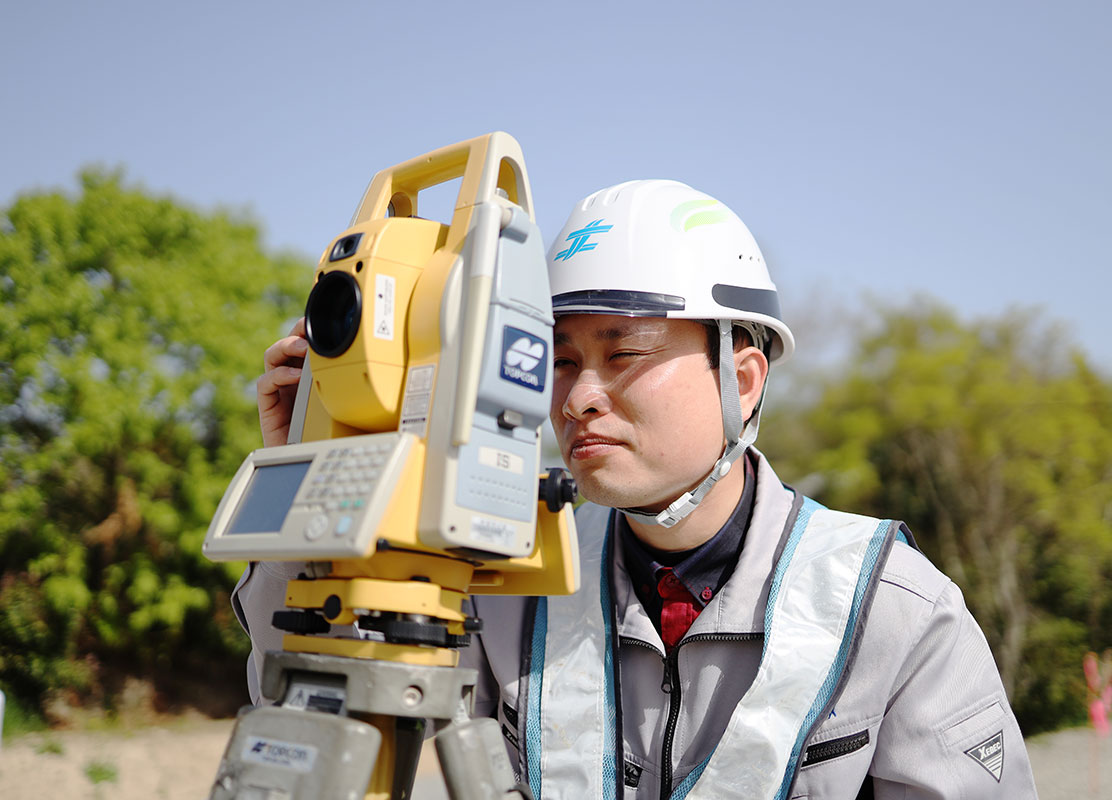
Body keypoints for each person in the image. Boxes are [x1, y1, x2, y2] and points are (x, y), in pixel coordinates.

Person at [236, 179, 1039, 799]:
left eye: (623, 354)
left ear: (742, 379)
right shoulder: (501, 580)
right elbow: (316, 723)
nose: (579, 396)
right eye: (560, 360)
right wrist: (319, 482)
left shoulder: (893, 609)